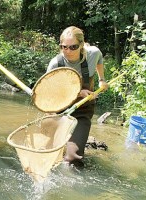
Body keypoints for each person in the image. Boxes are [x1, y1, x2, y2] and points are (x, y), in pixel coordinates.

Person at [47, 26, 109, 166]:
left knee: (73, 158)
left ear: (81, 45)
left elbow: (99, 60)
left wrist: (101, 79)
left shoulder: (93, 53)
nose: (68, 51)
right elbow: (49, 92)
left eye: (73, 47)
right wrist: (77, 92)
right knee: (50, 153)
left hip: (83, 111)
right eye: (64, 47)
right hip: (60, 111)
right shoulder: (55, 64)